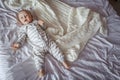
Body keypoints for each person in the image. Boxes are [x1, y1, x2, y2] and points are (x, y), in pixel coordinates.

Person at [12, 10, 70, 78]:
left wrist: (42, 24)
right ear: (20, 22)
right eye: (21, 17)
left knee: (56, 50)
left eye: (26, 15)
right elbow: (22, 37)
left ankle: (63, 61)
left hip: (48, 42)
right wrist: (18, 43)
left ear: (31, 16)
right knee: (38, 57)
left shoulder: (35, 22)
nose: (24, 17)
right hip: (37, 46)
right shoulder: (24, 28)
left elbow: (44, 28)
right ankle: (40, 69)